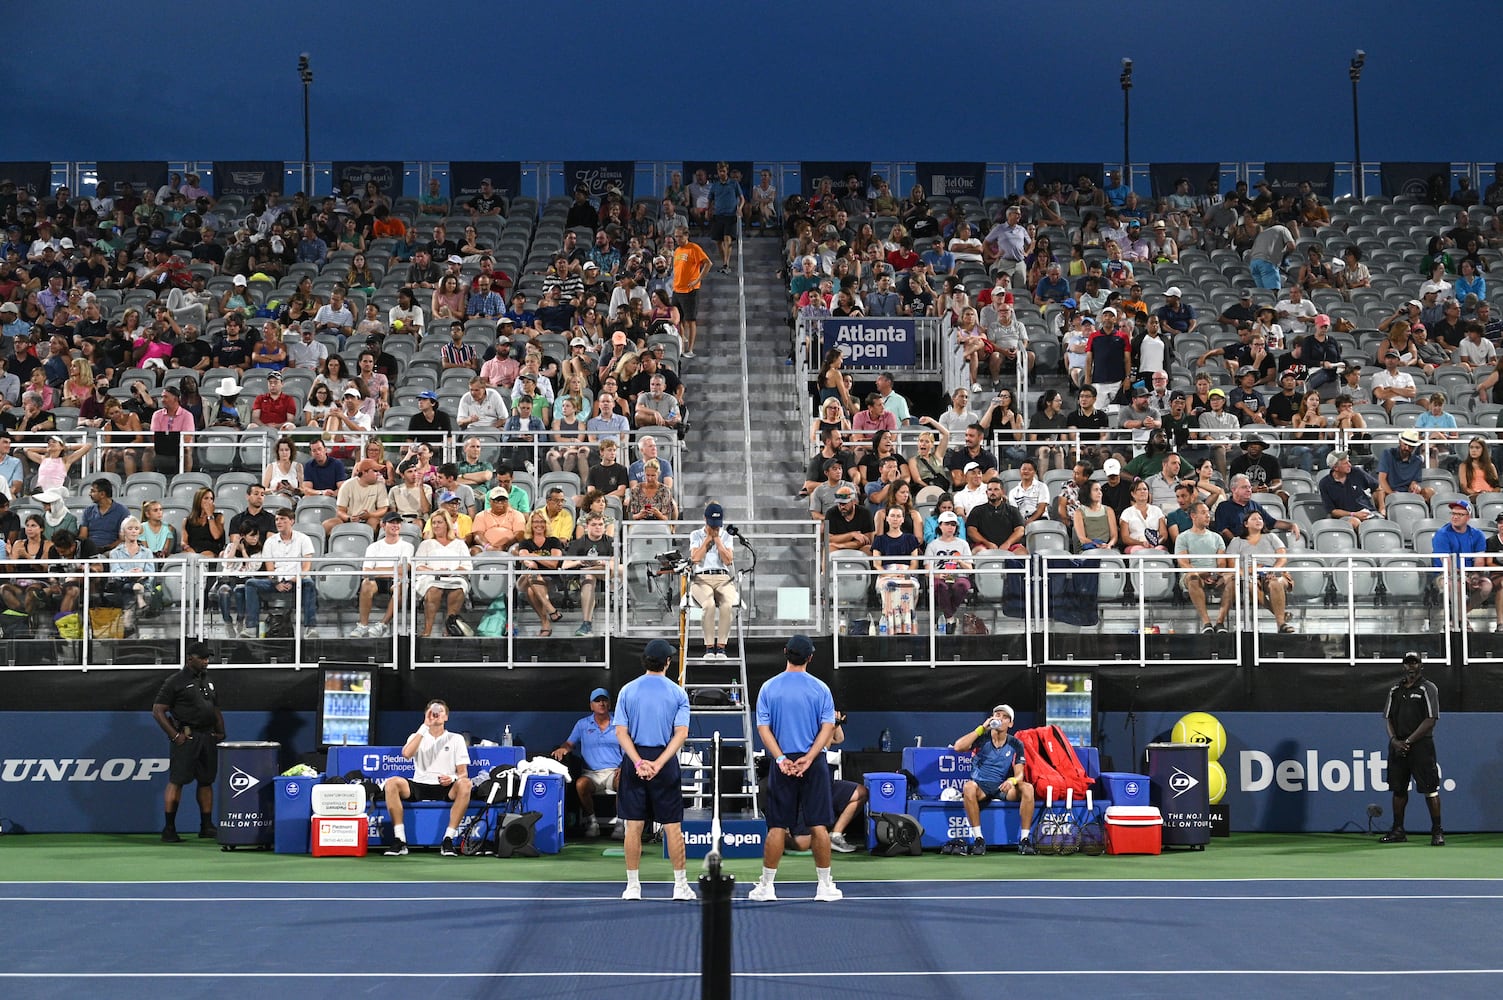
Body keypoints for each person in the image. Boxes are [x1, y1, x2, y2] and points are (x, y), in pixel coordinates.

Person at [748, 634, 842, 902]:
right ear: (810, 657)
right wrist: (811, 758)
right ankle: (824, 887)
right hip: (813, 763)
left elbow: (763, 729)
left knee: (777, 826)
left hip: (783, 763)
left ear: (785, 652)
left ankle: (767, 887)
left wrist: (780, 759)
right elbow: (828, 728)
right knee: (818, 826)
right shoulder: (821, 689)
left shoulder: (768, 688)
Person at [615, 637, 695, 901]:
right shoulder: (678, 693)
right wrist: (658, 764)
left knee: (633, 826)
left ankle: (632, 887)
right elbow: (681, 734)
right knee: (673, 827)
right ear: (668, 662)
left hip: (635, 761)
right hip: (664, 761)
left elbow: (621, 733)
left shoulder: (627, 690)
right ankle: (680, 886)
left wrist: (638, 762)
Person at [150, 642, 224, 842]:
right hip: (187, 736)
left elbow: (214, 707)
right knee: (177, 781)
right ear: (190, 658)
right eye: (202, 658)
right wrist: (175, 735)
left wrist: (220, 730)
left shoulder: (208, 680)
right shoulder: (175, 681)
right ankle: (169, 828)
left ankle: (206, 826)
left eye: (207, 658)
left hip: (207, 736)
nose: (206, 661)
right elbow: (158, 710)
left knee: (207, 780)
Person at [382, 700, 473, 857]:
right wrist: (425, 726)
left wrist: (451, 778)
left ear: (446, 718)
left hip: (445, 786)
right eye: (432, 712)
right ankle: (400, 840)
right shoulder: (416, 736)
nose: (436, 715)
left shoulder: (456, 738)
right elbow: (406, 754)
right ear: (426, 715)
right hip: (419, 785)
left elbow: (463, 773)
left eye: (440, 712)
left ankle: (448, 840)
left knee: (465, 783)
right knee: (391, 783)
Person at [946, 704, 1037, 856]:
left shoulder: (1015, 743)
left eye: (1004, 716)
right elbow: (958, 747)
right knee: (968, 787)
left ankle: (1024, 840)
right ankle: (979, 839)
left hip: (1002, 789)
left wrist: (1012, 781)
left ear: (1010, 723)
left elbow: (1019, 774)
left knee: (1027, 788)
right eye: (997, 715)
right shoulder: (981, 738)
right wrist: (982, 728)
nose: (999, 718)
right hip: (980, 788)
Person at [1380, 653, 1445, 847]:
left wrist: (1408, 740)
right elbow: (1388, 718)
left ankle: (1437, 831)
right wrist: (1394, 741)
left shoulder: (1428, 688)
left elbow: (1431, 719)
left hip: (1421, 746)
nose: (1411, 666)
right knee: (1398, 789)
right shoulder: (1395, 689)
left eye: (1414, 663)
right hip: (1398, 747)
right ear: (1403, 667)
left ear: (1420, 665)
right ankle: (1398, 830)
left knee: (1430, 790)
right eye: (1408, 663)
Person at [550, 687, 624, 839]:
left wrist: (624, 767)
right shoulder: (582, 724)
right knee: (580, 784)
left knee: (625, 780)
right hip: (591, 774)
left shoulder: (619, 723)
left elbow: (629, 748)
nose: (601, 703)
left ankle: (620, 824)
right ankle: (592, 823)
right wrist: (563, 749)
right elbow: (570, 743)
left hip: (614, 772)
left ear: (609, 704)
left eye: (604, 700)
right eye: (597, 701)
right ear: (591, 705)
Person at [242, 507, 318, 639]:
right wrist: (276, 582)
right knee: (251, 583)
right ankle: (250, 628)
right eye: (277, 519)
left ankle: (310, 628)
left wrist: (293, 580)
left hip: (297, 580)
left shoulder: (304, 539)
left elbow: (306, 568)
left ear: (292, 521)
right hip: (276, 581)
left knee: (309, 583)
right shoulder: (270, 542)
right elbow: (270, 569)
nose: (278, 522)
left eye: (282, 519)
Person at [351, 513, 413, 639]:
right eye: (392, 523)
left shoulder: (407, 546)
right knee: (366, 584)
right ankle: (363, 625)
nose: (395, 525)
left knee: (402, 586)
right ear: (383, 525)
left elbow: (404, 569)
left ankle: (382, 624)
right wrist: (393, 569)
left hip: (396, 580)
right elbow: (366, 571)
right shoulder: (374, 547)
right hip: (377, 580)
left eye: (398, 523)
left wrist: (377, 569)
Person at [688, 502, 737, 659]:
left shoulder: (726, 536)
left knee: (727, 604)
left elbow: (728, 560)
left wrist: (718, 541)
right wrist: (707, 540)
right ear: (705, 519)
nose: (715, 528)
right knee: (708, 605)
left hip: (722, 577)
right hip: (701, 578)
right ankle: (709, 647)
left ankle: (721, 647)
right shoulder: (695, 535)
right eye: (712, 524)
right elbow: (695, 558)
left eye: (717, 525)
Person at [1431, 499, 1490, 625]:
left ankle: (1459, 615)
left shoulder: (1477, 535)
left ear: (1468, 517)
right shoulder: (1442, 534)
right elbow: (1447, 565)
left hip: (1467, 573)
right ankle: (1461, 620)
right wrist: (1462, 576)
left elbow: (1479, 561)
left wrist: (1475, 576)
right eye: (1453, 513)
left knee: (1486, 586)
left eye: (1460, 514)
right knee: (1455, 584)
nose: (1455, 517)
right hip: (1444, 575)